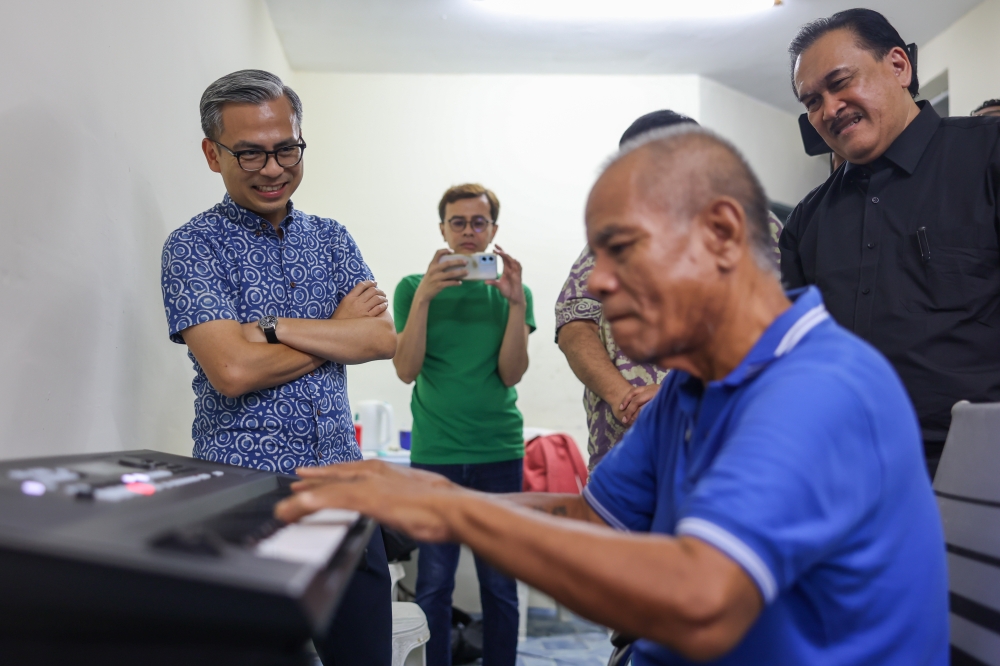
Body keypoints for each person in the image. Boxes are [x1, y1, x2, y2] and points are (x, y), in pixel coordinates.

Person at [275, 126, 948, 665]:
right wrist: (434, 505)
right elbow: (591, 517)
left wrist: (456, 510)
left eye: (620, 249)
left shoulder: (818, 387)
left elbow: (702, 599)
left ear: (720, 234)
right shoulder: (690, 388)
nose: (595, 285)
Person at [160, 69, 396, 666]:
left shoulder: (332, 238)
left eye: (285, 148)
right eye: (250, 153)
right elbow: (232, 371)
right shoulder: (192, 248)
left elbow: (381, 338)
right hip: (245, 502)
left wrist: (274, 330)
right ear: (213, 155)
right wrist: (335, 329)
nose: (273, 168)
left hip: (344, 493)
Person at [780, 8, 1000, 478]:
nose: (830, 108)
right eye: (811, 101)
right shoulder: (806, 223)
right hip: (848, 478)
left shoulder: (988, 156)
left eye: (840, 82)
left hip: (980, 473)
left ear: (899, 66)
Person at [556, 110, 785, 469]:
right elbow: (573, 322)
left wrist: (675, 393)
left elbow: (773, 328)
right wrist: (622, 399)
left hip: (720, 442)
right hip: (623, 444)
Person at [391, 183, 535, 666]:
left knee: (500, 584)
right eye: (459, 222)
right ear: (442, 230)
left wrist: (516, 304)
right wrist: (426, 298)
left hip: (499, 451)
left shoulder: (514, 293)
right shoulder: (413, 287)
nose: (469, 232)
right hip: (436, 456)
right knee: (433, 581)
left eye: (479, 222)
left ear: (494, 230)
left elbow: (512, 373)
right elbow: (405, 369)